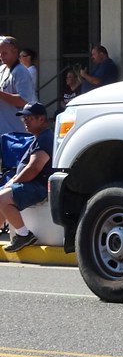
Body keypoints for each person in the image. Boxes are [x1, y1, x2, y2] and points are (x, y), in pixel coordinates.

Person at [0, 102, 53, 252]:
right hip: (31, 185)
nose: (25, 122)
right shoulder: (39, 137)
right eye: (24, 119)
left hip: (38, 187)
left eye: (29, 118)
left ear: (41, 119)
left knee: (2, 198)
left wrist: (13, 183)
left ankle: (24, 235)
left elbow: (34, 168)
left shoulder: (45, 138)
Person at [0, 36, 35, 136]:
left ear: (15, 51)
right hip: (3, 131)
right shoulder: (2, 69)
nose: (1, 56)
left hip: (16, 133)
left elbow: (23, 100)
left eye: (5, 53)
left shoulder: (21, 71)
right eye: (0, 53)